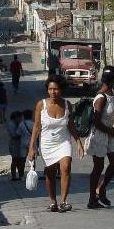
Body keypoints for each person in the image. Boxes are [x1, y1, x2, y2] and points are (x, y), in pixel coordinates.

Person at [27, 75, 84, 213]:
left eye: (56, 89)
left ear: (61, 90)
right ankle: (53, 201)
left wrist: (78, 142)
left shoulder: (67, 105)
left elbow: (70, 125)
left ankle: (63, 201)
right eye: (50, 89)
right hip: (47, 144)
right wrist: (31, 148)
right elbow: (36, 127)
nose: (53, 92)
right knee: (50, 173)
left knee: (66, 168)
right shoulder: (41, 105)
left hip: (63, 142)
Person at [85, 65, 114, 209]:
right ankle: (92, 199)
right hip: (99, 134)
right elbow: (96, 121)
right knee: (98, 167)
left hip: (110, 132)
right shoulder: (101, 97)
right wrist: (109, 130)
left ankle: (102, 188)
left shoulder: (113, 93)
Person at [17, 108, 34, 177]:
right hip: (32, 143)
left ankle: (21, 174)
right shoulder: (33, 124)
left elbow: (18, 133)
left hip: (23, 142)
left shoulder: (21, 124)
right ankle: (32, 173)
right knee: (32, 160)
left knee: (22, 159)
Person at [8, 111, 23, 180]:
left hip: (18, 144)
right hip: (14, 144)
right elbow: (14, 135)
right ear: (16, 117)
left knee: (19, 160)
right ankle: (14, 176)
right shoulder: (11, 124)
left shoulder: (17, 124)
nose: (21, 119)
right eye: (19, 117)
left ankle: (20, 175)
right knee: (15, 160)